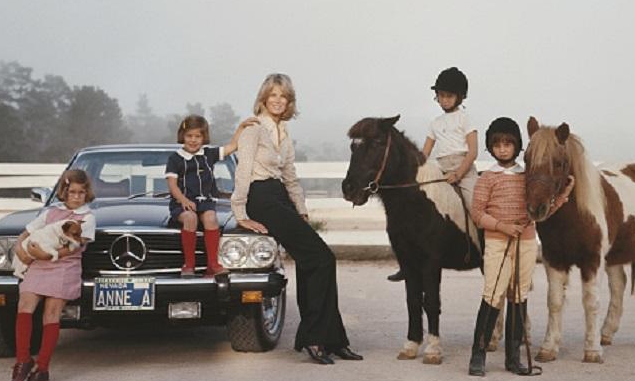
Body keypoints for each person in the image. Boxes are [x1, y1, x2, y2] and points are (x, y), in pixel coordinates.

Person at [231, 73, 362, 365]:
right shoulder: (253, 129)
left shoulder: (284, 132)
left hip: (279, 196)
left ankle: (332, 339)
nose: (278, 101)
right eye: (273, 95)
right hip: (260, 197)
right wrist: (240, 212)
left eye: (284, 96)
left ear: (289, 101)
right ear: (263, 98)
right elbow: (243, 171)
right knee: (322, 258)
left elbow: (290, 176)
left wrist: (301, 209)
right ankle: (315, 338)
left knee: (313, 260)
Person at [388, 66, 478, 282]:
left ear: (460, 96)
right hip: (440, 169)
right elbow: (424, 154)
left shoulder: (465, 119)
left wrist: (458, 173)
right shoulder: (435, 123)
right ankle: (406, 262)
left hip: (463, 168)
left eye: (448, 96)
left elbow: (473, 151)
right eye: (440, 96)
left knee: (476, 205)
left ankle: (482, 248)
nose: (444, 100)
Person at [9, 169, 96, 381]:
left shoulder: (87, 218)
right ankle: (22, 361)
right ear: (64, 192)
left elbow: (75, 246)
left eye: (81, 192)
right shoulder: (50, 213)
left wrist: (47, 255)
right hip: (39, 264)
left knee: (51, 313)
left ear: (87, 194)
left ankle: (43, 368)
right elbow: (27, 233)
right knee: (25, 305)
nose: (76, 197)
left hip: (64, 265)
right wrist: (20, 249)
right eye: (72, 192)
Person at [467, 117, 536, 377]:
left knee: (519, 296)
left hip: (526, 241)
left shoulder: (527, 177)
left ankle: (513, 357)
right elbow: (477, 213)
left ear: (517, 146)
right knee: (493, 293)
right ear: (490, 147)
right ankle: (478, 353)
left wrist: (563, 195)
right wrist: (502, 226)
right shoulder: (488, 178)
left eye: (508, 144)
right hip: (497, 241)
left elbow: (542, 206)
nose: (503, 149)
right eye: (497, 144)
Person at [166, 114, 257, 277]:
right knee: (190, 218)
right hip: (182, 203)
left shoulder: (209, 154)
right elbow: (172, 184)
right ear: (182, 136)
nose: (193, 140)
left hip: (205, 202)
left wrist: (241, 128)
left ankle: (213, 264)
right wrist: (183, 200)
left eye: (198, 136)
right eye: (189, 136)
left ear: (204, 137)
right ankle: (189, 265)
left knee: (211, 218)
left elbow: (232, 146)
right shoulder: (175, 158)